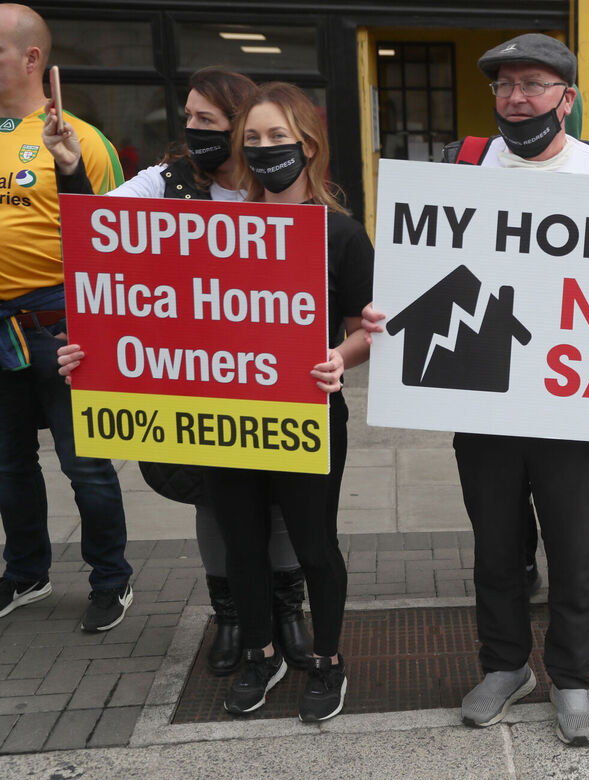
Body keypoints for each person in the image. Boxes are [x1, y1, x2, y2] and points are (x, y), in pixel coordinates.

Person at [364, 33, 589, 746]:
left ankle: (572, 677)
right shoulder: (459, 165)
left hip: (570, 407)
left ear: (568, 98)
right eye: (504, 86)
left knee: (574, 547)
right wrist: (389, 306)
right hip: (481, 395)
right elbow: (416, 265)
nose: (516, 98)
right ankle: (505, 666)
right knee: (497, 550)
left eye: (533, 84)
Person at [44, 67, 312, 678]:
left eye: (207, 121)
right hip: (195, 374)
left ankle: (288, 611)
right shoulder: (165, 181)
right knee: (214, 500)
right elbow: (96, 230)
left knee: (280, 501)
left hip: (270, 370)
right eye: (187, 117)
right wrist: (70, 170)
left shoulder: (273, 182)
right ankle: (232, 615)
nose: (192, 130)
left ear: (242, 125)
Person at [203, 82, 372, 722]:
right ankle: (260, 652)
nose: (267, 149)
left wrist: (340, 359)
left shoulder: (342, 236)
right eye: (253, 139)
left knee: (313, 545)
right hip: (226, 416)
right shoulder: (213, 233)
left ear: (307, 145)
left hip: (307, 413)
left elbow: (367, 329)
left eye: (279, 137)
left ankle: (327, 662)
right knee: (241, 544)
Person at [0, 3, 132, 633]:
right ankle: (26, 572)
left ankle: (111, 578)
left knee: (86, 465)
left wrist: (100, 329)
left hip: (63, 324)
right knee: (8, 464)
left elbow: (118, 240)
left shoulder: (80, 139)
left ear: (31, 59)